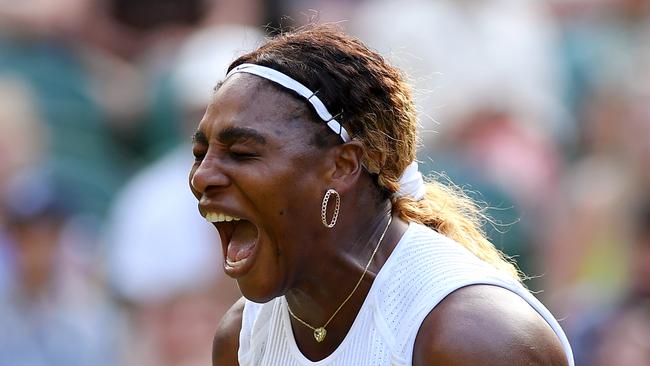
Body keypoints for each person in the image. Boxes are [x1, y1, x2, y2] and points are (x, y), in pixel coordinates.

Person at [188, 25, 573, 365]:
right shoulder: (242, 339)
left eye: (241, 153)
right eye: (200, 154)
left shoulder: (474, 339)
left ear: (342, 166)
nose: (202, 177)